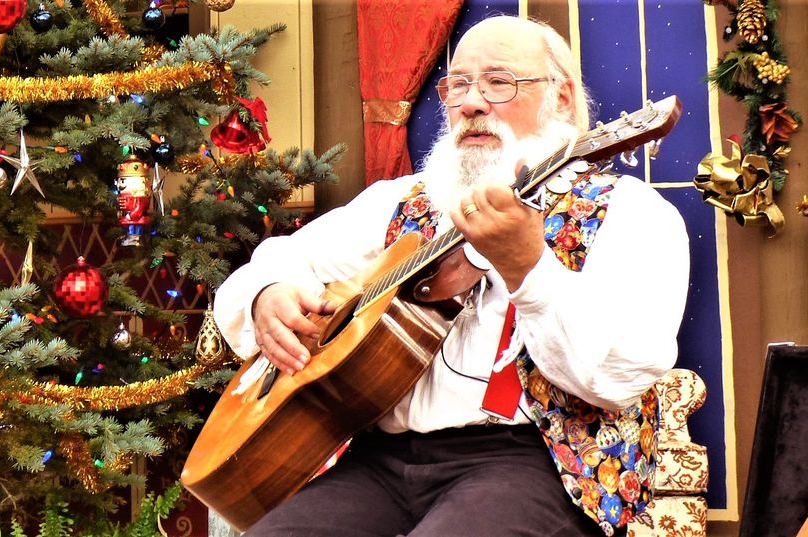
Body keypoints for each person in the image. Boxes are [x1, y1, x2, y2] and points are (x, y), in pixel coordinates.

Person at [212, 15, 690, 537]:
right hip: (377, 462)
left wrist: (528, 269)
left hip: (536, 466)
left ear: (563, 98)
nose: (471, 103)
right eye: (458, 84)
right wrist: (267, 294)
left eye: (499, 82)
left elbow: (616, 380)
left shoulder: (633, 215)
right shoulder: (401, 201)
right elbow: (275, 261)